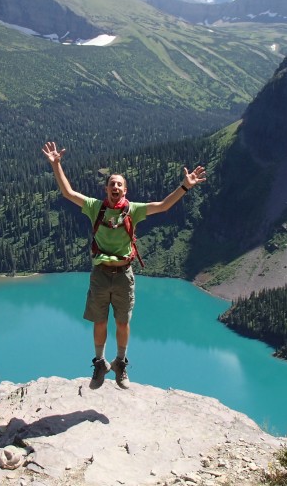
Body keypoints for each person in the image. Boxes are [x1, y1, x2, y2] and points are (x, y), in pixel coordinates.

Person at [42, 141, 207, 390]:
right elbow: (69, 193)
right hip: (100, 274)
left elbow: (163, 206)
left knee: (122, 322)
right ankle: (100, 363)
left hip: (123, 275)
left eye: (119, 184)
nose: (115, 187)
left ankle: (120, 363)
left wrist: (185, 186)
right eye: (111, 184)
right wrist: (56, 165)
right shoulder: (95, 207)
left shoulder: (134, 211)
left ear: (125, 190)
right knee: (100, 321)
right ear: (106, 189)